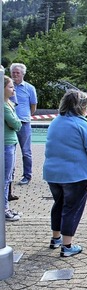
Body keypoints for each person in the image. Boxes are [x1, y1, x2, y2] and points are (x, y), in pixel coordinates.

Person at [43, 90, 87, 257]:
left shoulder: (55, 122)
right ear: (81, 106)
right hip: (75, 175)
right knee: (71, 209)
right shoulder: (81, 124)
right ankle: (67, 246)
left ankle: (56, 239)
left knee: (59, 204)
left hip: (53, 174)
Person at [10, 63, 37, 186]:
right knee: (9, 150)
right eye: (13, 72)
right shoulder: (6, 86)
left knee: (26, 151)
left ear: (23, 74)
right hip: (9, 122)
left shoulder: (29, 88)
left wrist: (26, 116)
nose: (15, 74)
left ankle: (27, 175)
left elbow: (33, 106)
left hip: (24, 122)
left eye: (17, 72)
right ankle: (10, 174)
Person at [4, 76, 22, 221]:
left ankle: (5, 207)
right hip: (6, 144)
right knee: (5, 179)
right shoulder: (3, 106)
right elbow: (15, 123)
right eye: (10, 87)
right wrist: (17, 122)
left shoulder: (9, 103)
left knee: (8, 178)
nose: (13, 89)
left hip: (11, 142)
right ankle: (4, 209)